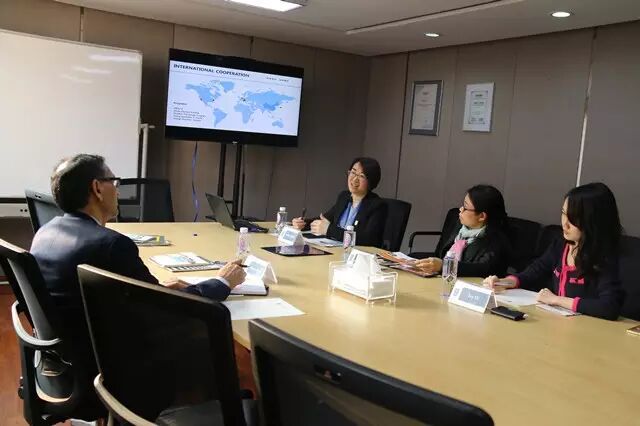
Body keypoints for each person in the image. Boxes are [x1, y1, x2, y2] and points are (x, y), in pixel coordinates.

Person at [484, 182, 624, 320]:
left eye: (574, 218)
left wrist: (557, 300)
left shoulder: (605, 256)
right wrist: (504, 283)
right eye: (564, 213)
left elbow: (609, 307)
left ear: (593, 221)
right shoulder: (561, 244)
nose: (565, 224)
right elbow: (534, 272)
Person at [415, 184, 510, 277]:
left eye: (465, 207)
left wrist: (445, 266)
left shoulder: (496, 240)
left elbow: (481, 270)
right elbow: (440, 254)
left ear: (482, 216)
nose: (461, 209)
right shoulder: (460, 225)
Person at [291, 157, 388, 247]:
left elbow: (368, 239)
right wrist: (303, 223)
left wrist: (329, 230)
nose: (355, 179)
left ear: (371, 181)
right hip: (336, 249)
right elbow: (326, 219)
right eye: (353, 173)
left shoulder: (377, 205)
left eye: (361, 176)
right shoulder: (344, 197)